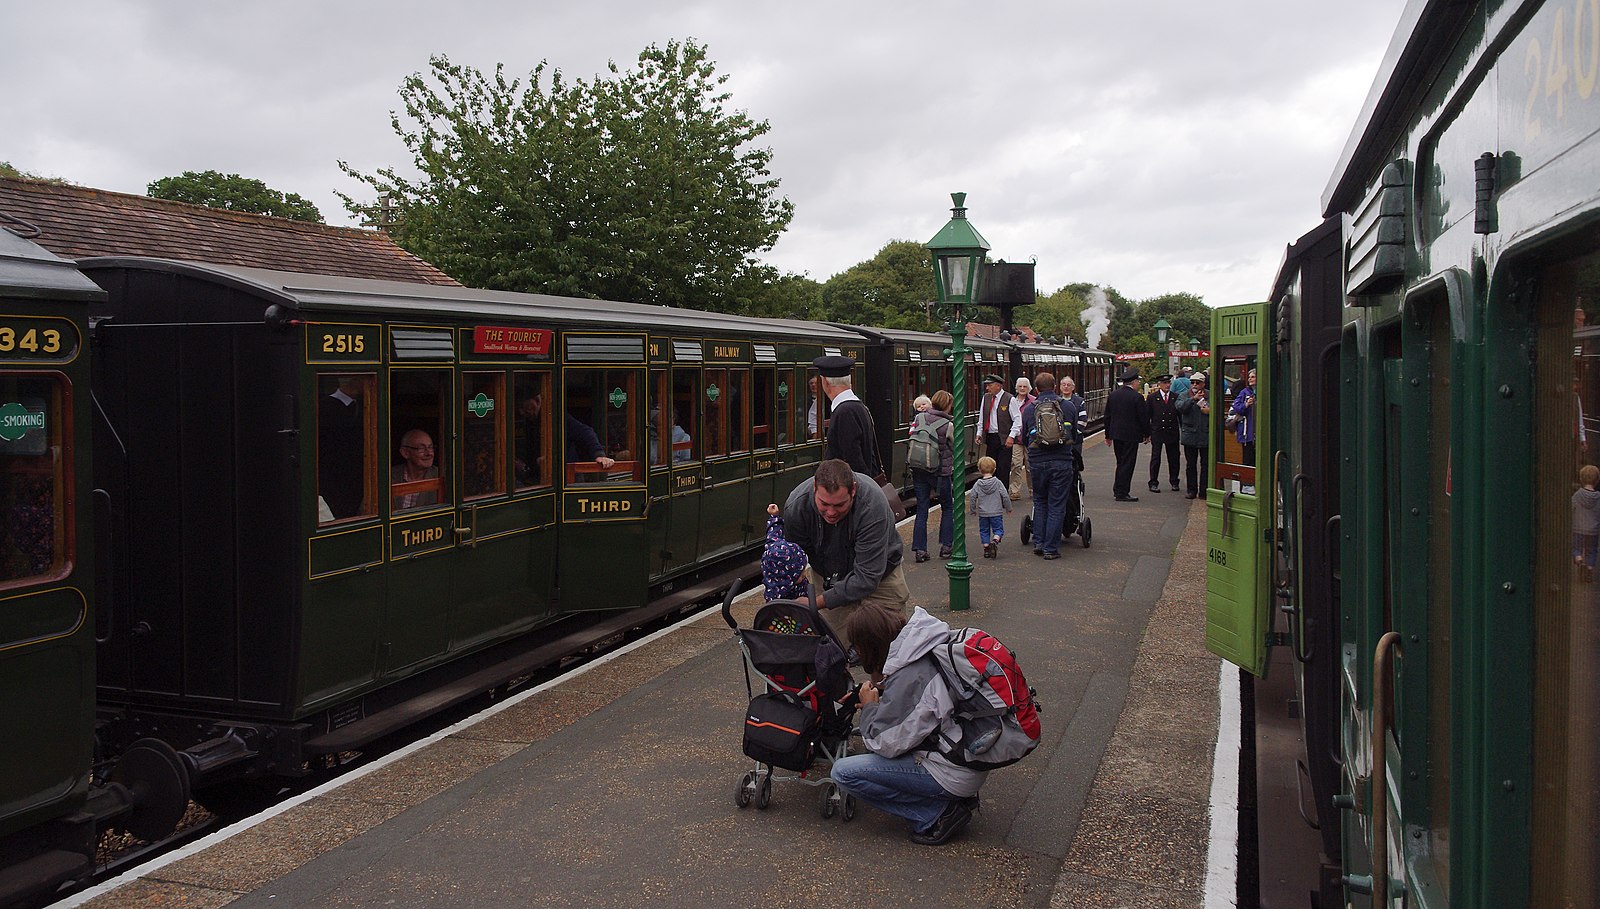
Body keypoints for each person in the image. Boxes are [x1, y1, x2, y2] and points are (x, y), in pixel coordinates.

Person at [829, 603, 986, 846]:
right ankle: (947, 801)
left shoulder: (911, 677)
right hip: (968, 758)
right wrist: (880, 697)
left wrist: (871, 708)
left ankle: (935, 813)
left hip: (953, 772)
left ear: (868, 646)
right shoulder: (924, 646)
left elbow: (881, 744)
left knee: (843, 772)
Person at [776, 459, 909, 655]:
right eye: (824, 504)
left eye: (839, 505)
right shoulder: (797, 506)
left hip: (880, 576)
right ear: (815, 488)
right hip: (828, 575)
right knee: (834, 651)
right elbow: (796, 556)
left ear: (853, 490)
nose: (830, 512)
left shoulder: (872, 505)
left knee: (889, 653)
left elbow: (866, 578)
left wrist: (815, 603)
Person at [1022, 372, 1082, 559]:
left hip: (1037, 462)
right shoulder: (1068, 406)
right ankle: (1050, 548)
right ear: (1055, 387)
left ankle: (1039, 542)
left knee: (1040, 501)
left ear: (1036, 389)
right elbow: (1076, 434)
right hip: (1061, 461)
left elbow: (1024, 437)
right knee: (1057, 505)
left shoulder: (1029, 409)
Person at [815, 356, 883, 478]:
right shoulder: (859, 407)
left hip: (847, 490)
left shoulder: (845, 412)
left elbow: (853, 460)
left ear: (824, 381)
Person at [909, 391, 955, 562]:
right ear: (947, 405)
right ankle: (946, 546)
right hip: (940, 472)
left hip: (919, 470)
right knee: (947, 507)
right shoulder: (948, 424)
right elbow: (954, 446)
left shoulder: (918, 419)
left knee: (922, 509)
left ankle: (920, 550)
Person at [318, 376, 366, 519]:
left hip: (359, 478)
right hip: (334, 480)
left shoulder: (365, 404)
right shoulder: (325, 407)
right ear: (355, 381)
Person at [1103, 367, 1150, 501]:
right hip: (1131, 436)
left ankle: (1118, 489)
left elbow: (1107, 417)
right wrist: (1147, 433)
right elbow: (1143, 418)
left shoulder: (1113, 395)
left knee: (1120, 461)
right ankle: (1122, 492)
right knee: (1128, 463)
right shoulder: (1137, 397)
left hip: (1116, 434)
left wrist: (1108, 435)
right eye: (1137, 382)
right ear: (1134, 382)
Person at [976, 375, 1020, 494]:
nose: (987, 388)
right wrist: (979, 433)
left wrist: (1011, 436)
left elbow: (1017, 419)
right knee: (989, 467)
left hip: (1004, 438)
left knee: (1003, 468)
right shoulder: (986, 398)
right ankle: (991, 493)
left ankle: (1002, 493)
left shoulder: (1010, 399)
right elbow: (982, 418)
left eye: (990, 385)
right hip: (991, 437)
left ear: (998, 386)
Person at [1174, 372, 1210, 499]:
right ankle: (1191, 490)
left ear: (1203, 384)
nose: (1195, 385)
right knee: (1191, 465)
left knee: (1205, 465)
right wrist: (1192, 400)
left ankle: (1204, 491)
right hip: (1189, 435)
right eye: (1193, 382)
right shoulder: (1184, 395)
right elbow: (1180, 408)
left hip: (1205, 434)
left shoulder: (1210, 395)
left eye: (1197, 382)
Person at [762, 503, 809, 601]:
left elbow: (773, 535)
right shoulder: (784, 597)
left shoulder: (773, 547)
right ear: (787, 578)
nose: (804, 575)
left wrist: (774, 516)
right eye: (800, 574)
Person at [968, 456, 1010, 559]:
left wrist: (973, 509)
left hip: (983, 513)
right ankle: (995, 541)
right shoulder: (998, 483)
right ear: (994, 469)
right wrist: (1008, 508)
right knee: (998, 530)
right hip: (996, 512)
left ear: (979, 470)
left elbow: (972, 497)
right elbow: (1005, 495)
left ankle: (986, 548)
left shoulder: (978, 484)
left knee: (984, 530)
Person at [1146, 374, 1181, 494]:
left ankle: (1174, 481)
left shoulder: (1175, 397)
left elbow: (1179, 416)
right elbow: (1148, 416)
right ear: (1159, 384)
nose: (1167, 385)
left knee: (1174, 458)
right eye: (1165, 383)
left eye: (1168, 383)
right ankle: (1153, 482)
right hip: (1158, 431)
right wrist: (1147, 433)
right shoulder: (1152, 398)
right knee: (1156, 458)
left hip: (1172, 431)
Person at [392, 429, 441, 510]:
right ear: (405, 453)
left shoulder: (441, 476)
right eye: (421, 448)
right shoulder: (388, 477)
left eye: (431, 447)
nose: (429, 453)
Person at [1009, 377, 1037, 501]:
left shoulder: (1034, 402)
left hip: (1030, 439)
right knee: (1016, 464)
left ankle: (1033, 489)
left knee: (1030, 466)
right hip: (1017, 439)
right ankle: (1015, 490)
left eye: (1024, 386)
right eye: (1020, 386)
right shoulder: (1012, 401)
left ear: (1028, 388)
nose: (1022, 389)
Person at [1231, 368, 1258, 467]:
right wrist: (1246, 404)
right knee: (1248, 457)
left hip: (1258, 431)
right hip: (1247, 432)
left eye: (1253, 377)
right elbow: (1236, 407)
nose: (1250, 379)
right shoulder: (1244, 392)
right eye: (1249, 377)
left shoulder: (1262, 391)